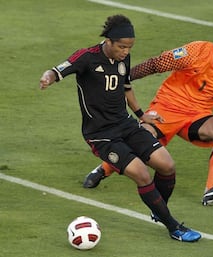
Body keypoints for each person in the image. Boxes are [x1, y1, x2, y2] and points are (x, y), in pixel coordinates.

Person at [83, 28, 213, 206]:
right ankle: (104, 169)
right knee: (142, 139)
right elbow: (158, 64)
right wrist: (124, 78)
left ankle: (211, 190)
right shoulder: (197, 51)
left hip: (196, 117)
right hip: (166, 108)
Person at [39, 14, 201, 242]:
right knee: (142, 175)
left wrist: (142, 116)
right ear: (109, 41)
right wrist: (47, 78)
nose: (125, 51)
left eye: (129, 47)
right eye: (122, 47)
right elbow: (57, 70)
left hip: (126, 124)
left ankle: (158, 208)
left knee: (167, 165)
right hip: (101, 135)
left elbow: (126, 88)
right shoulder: (86, 57)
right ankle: (174, 227)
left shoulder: (123, 59)